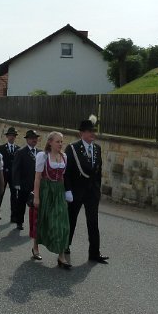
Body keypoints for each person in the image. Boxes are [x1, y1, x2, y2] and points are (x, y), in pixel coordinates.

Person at [65, 115, 109, 264]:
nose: (92, 134)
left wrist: (98, 189)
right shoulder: (72, 148)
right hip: (76, 191)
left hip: (92, 192)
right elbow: (67, 171)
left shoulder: (97, 148)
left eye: (93, 131)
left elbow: (98, 171)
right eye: (89, 131)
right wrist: (68, 190)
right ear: (81, 133)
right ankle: (65, 246)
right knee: (71, 220)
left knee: (93, 222)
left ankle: (94, 253)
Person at [33, 131, 72, 269]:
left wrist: (67, 192)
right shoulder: (43, 156)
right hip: (46, 190)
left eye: (61, 141)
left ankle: (61, 256)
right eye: (57, 141)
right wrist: (36, 197)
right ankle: (35, 246)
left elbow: (64, 177)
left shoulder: (64, 157)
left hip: (59, 191)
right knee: (43, 219)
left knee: (62, 223)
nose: (60, 144)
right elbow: (37, 178)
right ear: (50, 142)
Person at [11, 129, 40, 231]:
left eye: (35, 138)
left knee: (36, 205)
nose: (34, 140)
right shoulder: (21, 152)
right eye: (32, 138)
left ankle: (35, 224)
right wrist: (17, 183)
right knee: (21, 204)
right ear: (27, 140)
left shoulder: (40, 153)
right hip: (24, 183)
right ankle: (19, 222)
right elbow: (16, 169)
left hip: (36, 184)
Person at [0, 127, 20, 224]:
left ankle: (14, 216)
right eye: (10, 135)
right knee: (0, 193)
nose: (11, 137)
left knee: (14, 195)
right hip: (4, 174)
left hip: (14, 175)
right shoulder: (1, 148)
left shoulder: (18, 149)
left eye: (13, 136)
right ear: (7, 136)